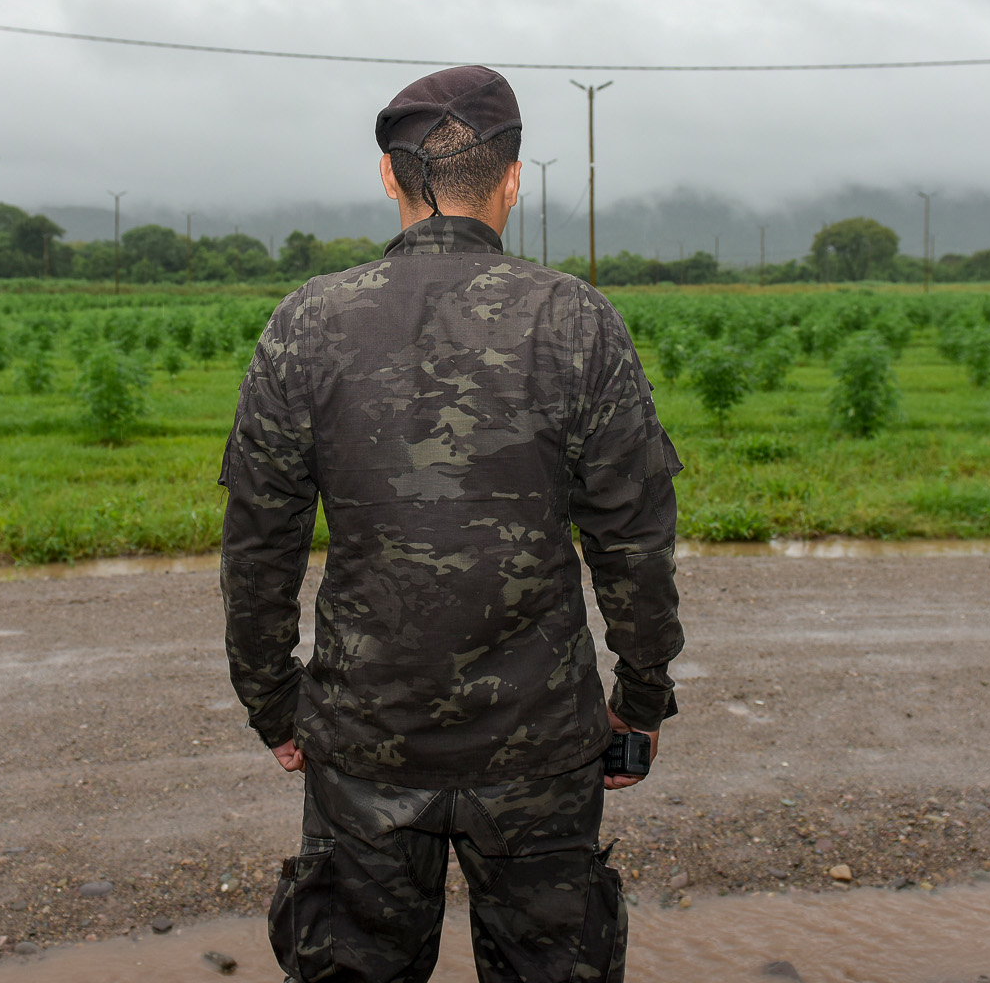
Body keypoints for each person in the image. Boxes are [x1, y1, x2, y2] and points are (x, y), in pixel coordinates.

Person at [220, 65, 683, 983]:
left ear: (387, 177)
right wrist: (641, 697)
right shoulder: (576, 320)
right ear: (513, 179)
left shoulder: (306, 322)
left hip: (363, 743)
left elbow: (259, 545)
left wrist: (272, 701)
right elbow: (633, 539)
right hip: (540, 745)